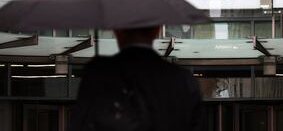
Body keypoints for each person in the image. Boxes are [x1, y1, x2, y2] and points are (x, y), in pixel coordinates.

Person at [69, 26, 202, 131]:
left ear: (117, 31)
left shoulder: (98, 73)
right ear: (157, 30)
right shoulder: (184, 80)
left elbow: (80, 124)